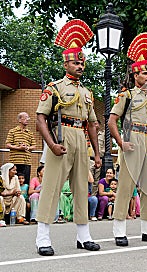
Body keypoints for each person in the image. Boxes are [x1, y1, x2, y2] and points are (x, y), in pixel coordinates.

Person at [34, 19, 101, 256]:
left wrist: (97, 152)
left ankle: (84, 236)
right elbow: (40, 118)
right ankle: (42, 237)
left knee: (82, 188)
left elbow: (92, 123)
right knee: (52, 187)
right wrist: (51, 144)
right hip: (61, 138)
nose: (80, 65)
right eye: (76, 62)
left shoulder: (86, 92)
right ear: (66, 63)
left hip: (80, 139)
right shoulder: (55, 87)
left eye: (82, 62)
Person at [108, 32, 147, 246]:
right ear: (135, 76)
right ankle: (119, 230)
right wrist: (120, 143)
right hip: (132, 138)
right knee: (126, 185)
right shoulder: (127, 95)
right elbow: (112, 121)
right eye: (144, 73)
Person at [5, 112, 37, 184]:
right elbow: (8, 144)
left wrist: (27, 148)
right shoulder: (12, 131)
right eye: (25, 118)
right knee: (13, 182)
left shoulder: (30, 133)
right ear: (19, 120)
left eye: (28, 118)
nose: (27, 119)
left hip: (26, 162)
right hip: (14, 162)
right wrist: (19, 148)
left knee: (25, 183)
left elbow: (34, 146)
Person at [88, 120, 105, 197]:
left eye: (96, 124)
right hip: (90, 159)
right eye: (93, 124)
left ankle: (93, 196)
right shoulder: (88, 133)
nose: (95, 125)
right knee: (89, 178)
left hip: (99, 159)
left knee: (96, 180)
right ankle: (87, 195)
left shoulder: (102, 134)